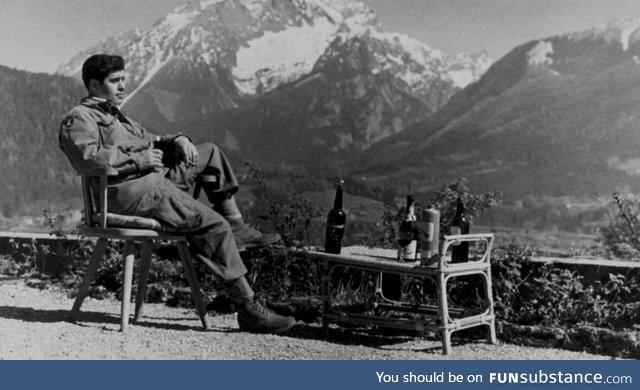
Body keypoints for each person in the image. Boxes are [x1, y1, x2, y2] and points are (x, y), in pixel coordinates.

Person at [59, 54, 295, 335]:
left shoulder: (115, 114)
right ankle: (248, 307)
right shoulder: (80, 118)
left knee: (208, 152)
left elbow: (152, 139)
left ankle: (235, 222)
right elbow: (86, 158)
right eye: (115, 81)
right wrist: (138, 161)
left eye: (123, 79)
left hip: (152, 182)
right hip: (133, 197)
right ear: (95, 85)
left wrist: (178, 139)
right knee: (213, 226)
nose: (123, 86)